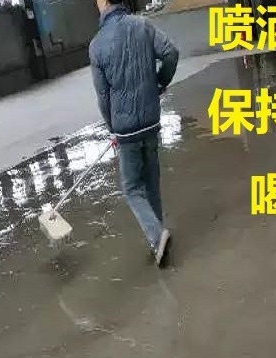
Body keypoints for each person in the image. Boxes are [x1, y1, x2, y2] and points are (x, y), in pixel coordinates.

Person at [89, 0, 179, 267]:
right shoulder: (143, 25)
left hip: (126, 129)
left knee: (131, 189)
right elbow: (171, 53)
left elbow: (103, 97)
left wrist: (112, 129)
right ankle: (159, 241)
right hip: (150, 121)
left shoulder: (97, 45)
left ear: (103, 2)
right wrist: (159, 83)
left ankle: (157, 236)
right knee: (151, 182)